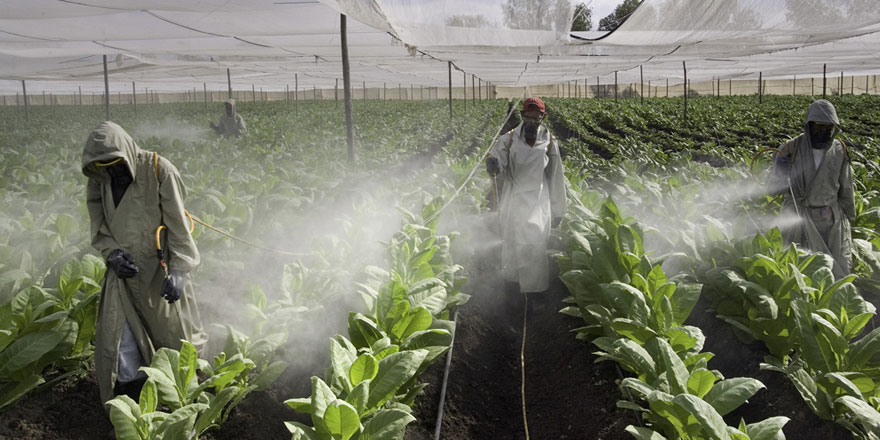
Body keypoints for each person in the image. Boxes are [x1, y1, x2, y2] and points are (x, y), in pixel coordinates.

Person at [82, 121, 207, 405]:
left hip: (158, 271)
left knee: (174, 337)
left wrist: (178, 271)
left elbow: (177, 226)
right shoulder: (99, 180)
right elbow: (98, 226)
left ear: (127, 153)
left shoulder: (159, 170)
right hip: (123, 276)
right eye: (104, 167)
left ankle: (182, 397)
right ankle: (133, 400)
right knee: (119, 340)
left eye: (116, 164)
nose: (112, 172)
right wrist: (111, 253)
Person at [766, 99, 855, 278]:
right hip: (797, 218)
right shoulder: (791, 148)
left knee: (837, 269)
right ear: (809, 126)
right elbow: (772, 189)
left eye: (827, 128)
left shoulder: (839, 151)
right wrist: (781, 174)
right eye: (818, 127)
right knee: (797, 271)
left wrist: (849, 217)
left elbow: (846, 187)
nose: (823, 132)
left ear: (833, 128)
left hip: (829, 221)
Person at [486, 97, 566, 293]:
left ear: (543, 117)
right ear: (522, 116)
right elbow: (499, 163)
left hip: (539, 198)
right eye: (528, 118)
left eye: (536, 118)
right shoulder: (509, 139)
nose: (532, 122)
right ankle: (513, 287)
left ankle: (535, 290)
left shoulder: (549, 141)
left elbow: (556, 176)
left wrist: (558, 210)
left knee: (535, 241)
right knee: (512, 241)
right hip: (514, 196)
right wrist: (494, 165)